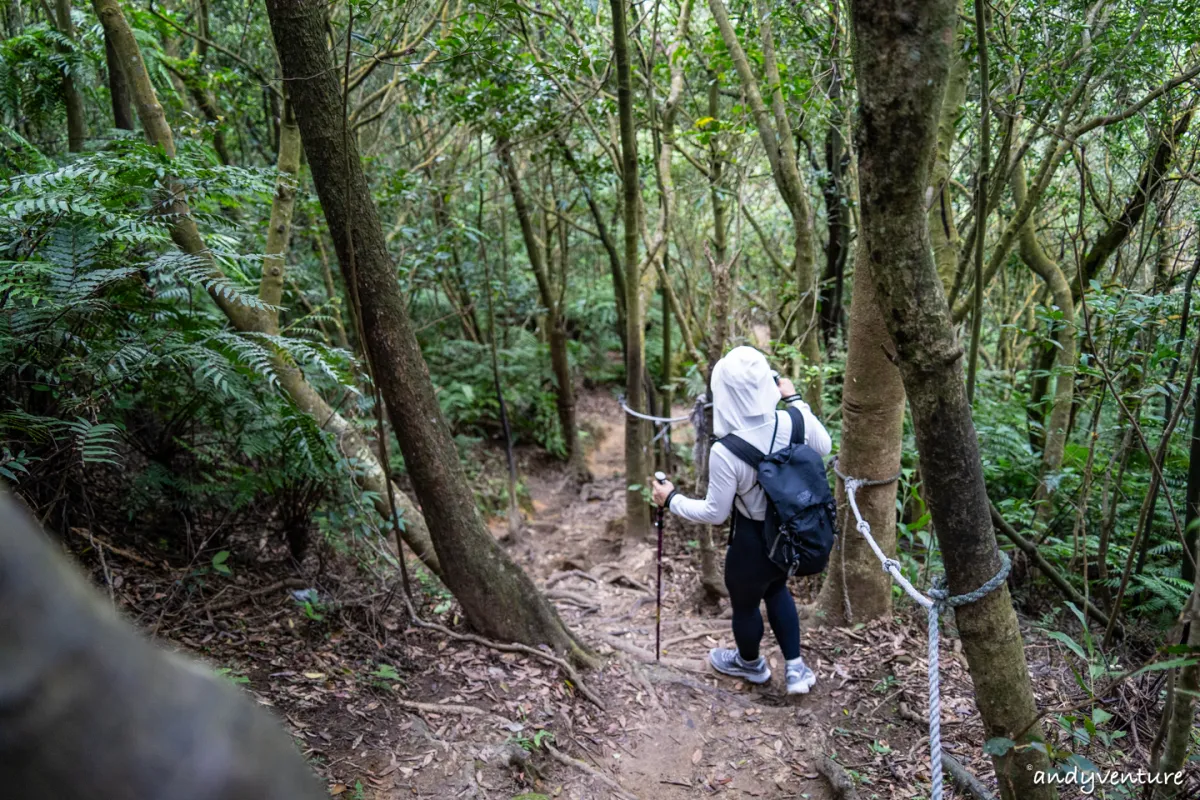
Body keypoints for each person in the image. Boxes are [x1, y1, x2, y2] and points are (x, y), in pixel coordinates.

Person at [651, 346, 831, 695]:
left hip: (752, 541)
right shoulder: (794, 419)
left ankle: (751, 665)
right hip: (794, 534)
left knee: (746, 604)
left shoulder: (726, 450)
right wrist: (794, 398)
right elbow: (823, 445)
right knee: (778, 588)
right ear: (768, 383)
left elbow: (715, 514)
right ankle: (795, 670)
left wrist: (671, 499)